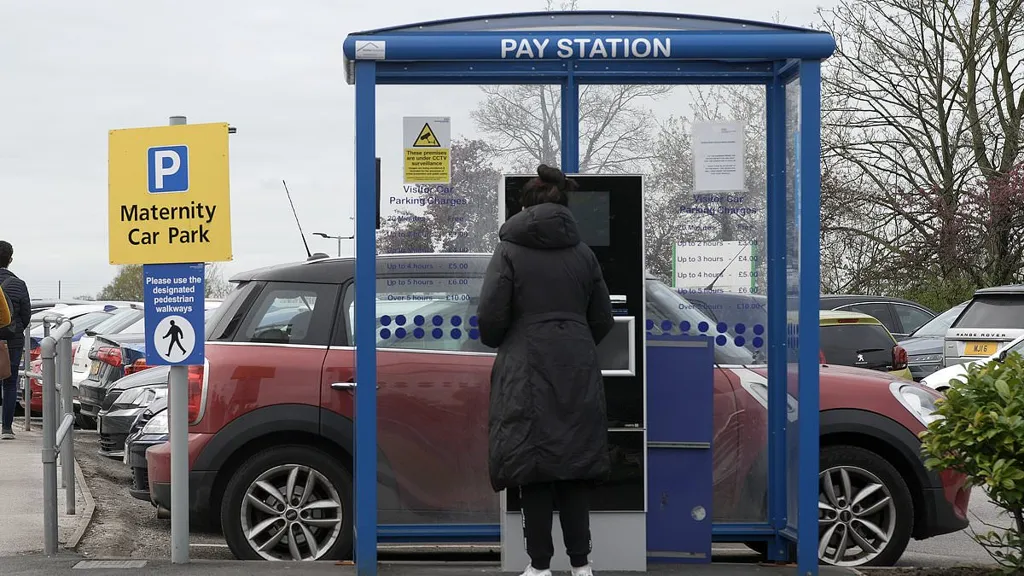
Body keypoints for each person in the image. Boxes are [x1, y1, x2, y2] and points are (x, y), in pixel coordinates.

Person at [477, 164, 615, 576]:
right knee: (574, 465)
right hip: (576, 365)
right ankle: (582, 565)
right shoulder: (584, 252)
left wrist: (515, 337)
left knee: (533, 466)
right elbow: (604, 318)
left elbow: (490, 318)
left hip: (526, 367)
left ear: (525, 209)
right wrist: (573, 338)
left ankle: (538, 566)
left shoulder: (508, 251)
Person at [0, 241, 31, 440]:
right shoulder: (19, 285)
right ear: (10, 260)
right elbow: (27, 316)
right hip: (12, 340)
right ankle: (7, 429)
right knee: (10, 383)